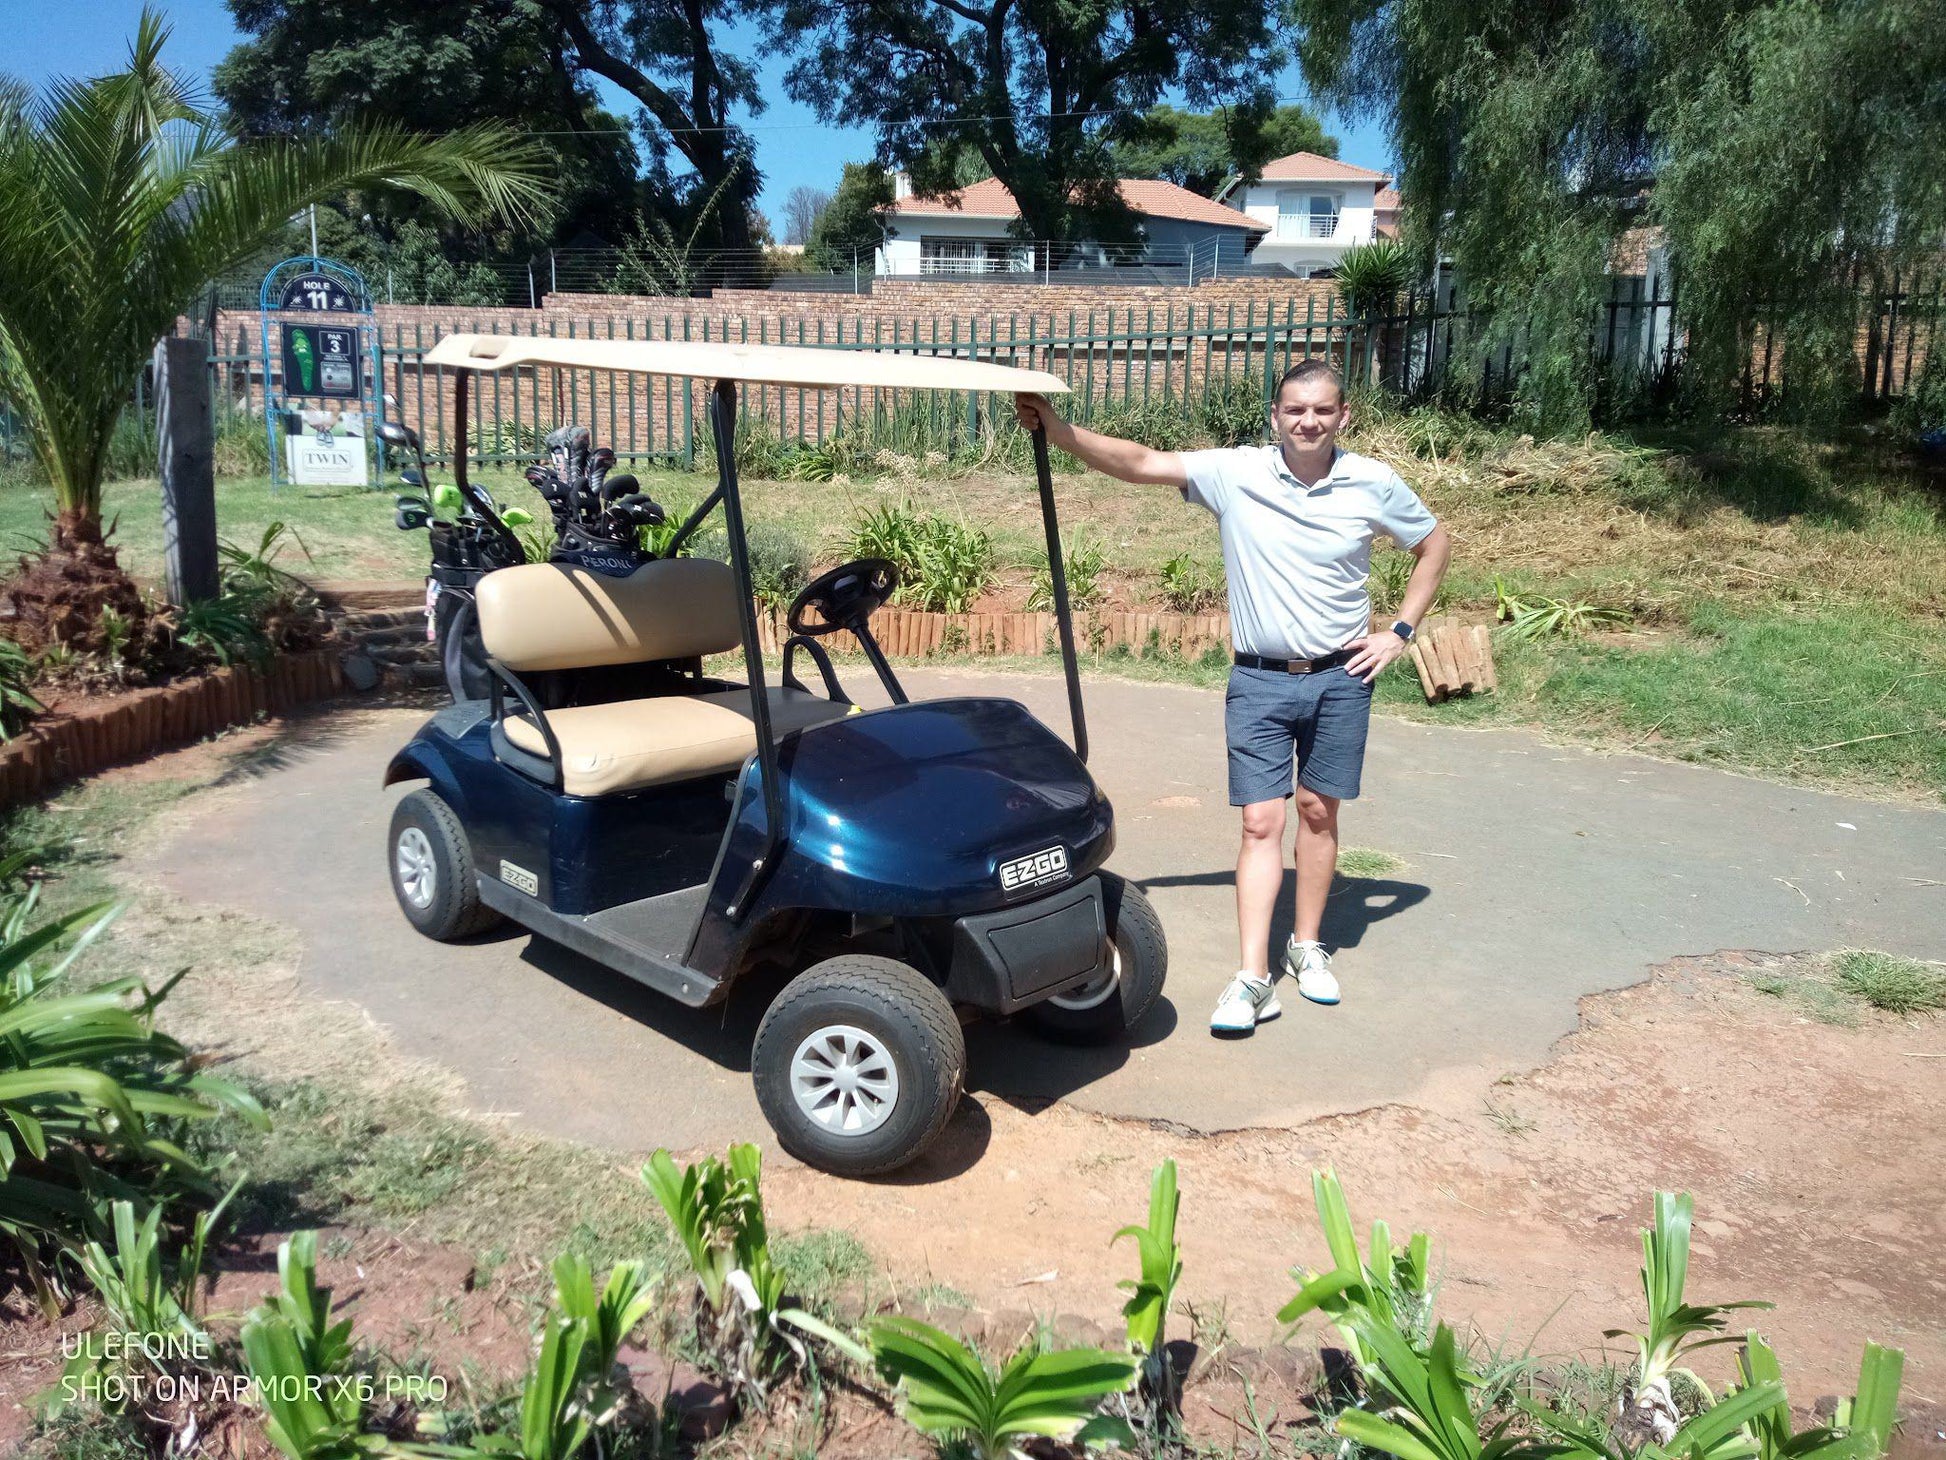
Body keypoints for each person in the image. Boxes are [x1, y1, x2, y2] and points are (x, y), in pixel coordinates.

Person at [1015, 360, 1451, 1035]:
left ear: (1344, 416)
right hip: (1258, 681)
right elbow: (1140, 462)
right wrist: (1061, 431)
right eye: (1295, 410)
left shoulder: (1374, 482)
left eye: (1322, 411)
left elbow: (1433, 545)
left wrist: (1399, 631)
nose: (1308, 421)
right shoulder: (1236, 472)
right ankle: (1253, 977)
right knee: (1258, 824)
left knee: (1317, 812)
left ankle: (1306, 946)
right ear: (1275, 416)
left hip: (1342, 677)